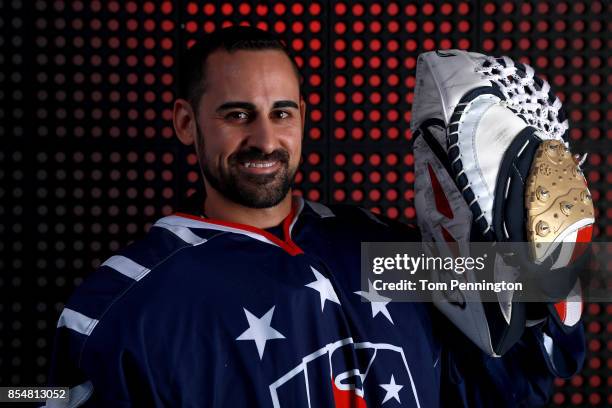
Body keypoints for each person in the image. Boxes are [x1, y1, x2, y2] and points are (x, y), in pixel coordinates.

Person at [46, 26, 586, 407]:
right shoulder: (120, 306)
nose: (265, 139)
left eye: (283, 113)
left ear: (303, 117)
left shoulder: (389, 254)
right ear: (186, 123)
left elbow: (509, 378)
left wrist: (547, 270)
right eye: (237, 115)